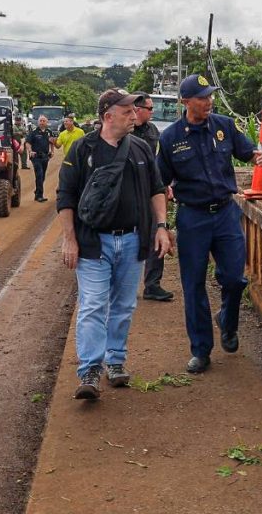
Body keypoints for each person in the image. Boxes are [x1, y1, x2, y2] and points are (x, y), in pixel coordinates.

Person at [57, 88, 172, 399]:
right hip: (93, 243)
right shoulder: (82, 149)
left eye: (134, 110)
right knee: (93, 305)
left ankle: (116, 360)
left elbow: (157, 189)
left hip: (133, 240)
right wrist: (69, 239)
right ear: (108, 116)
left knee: (123, 305)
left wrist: (161, 226)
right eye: (126, 111)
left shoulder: (141, 149)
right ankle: (90, 370)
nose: (133, 115)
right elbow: (65, 198)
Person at [157, 74, 262, 374]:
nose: (209, 101)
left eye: (210, 96)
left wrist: (259, 157)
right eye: (202, 97)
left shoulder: (223, 126)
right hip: (192, 216)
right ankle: (201, 349)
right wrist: (163, 224)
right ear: (186, 102)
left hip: (225, 213)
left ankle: (227, 321)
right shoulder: (170, 138)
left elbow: (247, 152)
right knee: (193, 284)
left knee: (234, 278)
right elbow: (160, 184)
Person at [132, 93, 174, 302]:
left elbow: (158, 162)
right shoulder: (126, 130)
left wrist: (164, 185)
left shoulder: (153, 131)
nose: (153, 112)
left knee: (157, 233)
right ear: (138, 109)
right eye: (150, 108)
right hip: (129, 193)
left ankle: (153, 284)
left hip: (151, 190)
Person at [27, 115, 54, 202]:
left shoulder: (49, 132)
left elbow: (51, 142)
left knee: (43, 176)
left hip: (45, 156)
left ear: (47, 122)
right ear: (38, 122)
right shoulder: (34, 132)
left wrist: (52, 151)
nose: (42, 122)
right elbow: (28, 143)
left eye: (43, 121)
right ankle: (40, 195)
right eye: (40, 121)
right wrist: (30, 151)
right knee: (39, 174)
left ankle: (37, 192)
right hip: (36, 156)